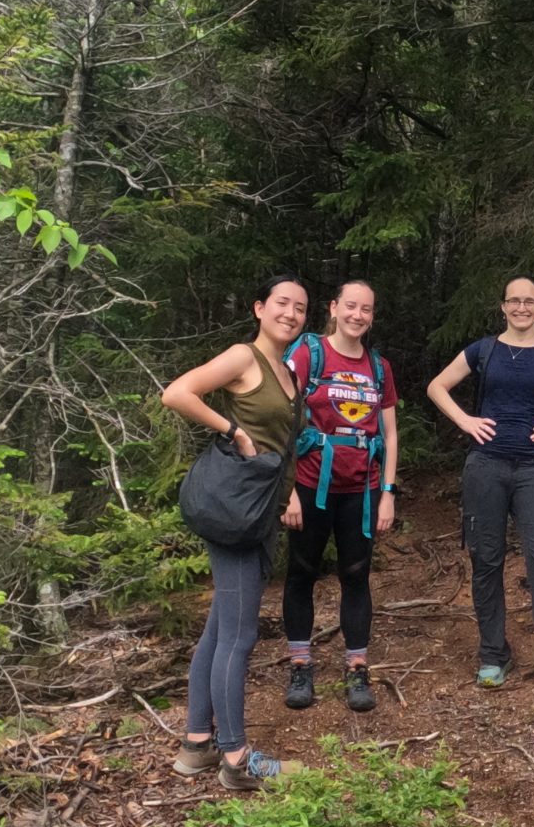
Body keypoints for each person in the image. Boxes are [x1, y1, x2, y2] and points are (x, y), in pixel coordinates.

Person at [159, 273, 309, 792]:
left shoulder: (288, 373)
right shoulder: (244, 357)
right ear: (260, 308)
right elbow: (177, 393)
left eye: (300, 308)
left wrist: (288, 491)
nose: (290, 314)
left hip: (260, 510)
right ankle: (237, 759)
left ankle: (197, 744)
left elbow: (282, 445)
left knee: (219, 631)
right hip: (235, 513)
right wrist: (233, 431)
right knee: (240, 636)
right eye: (282, 304)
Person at [428, 277, 534, 692]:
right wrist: (466, 421)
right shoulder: (483, 350)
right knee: (486, 559)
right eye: (514, 301)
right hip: (485, 464)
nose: (522, 307)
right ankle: (493, 654)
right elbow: (437, 386)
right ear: (503, 307)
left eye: (530, 302)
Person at [280, 280, 400, 715]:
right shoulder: (308, 355)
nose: (357, 315)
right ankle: (300, 665)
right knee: (302, 571)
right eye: (350, 306)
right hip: (311, 483)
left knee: (356, 574)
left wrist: (388, 494)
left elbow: (389, 433)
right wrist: (287, 489)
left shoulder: (379, 367)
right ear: (333, 308)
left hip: (362, 489)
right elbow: (282, 420)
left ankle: (357, 668)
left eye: (366, 309)